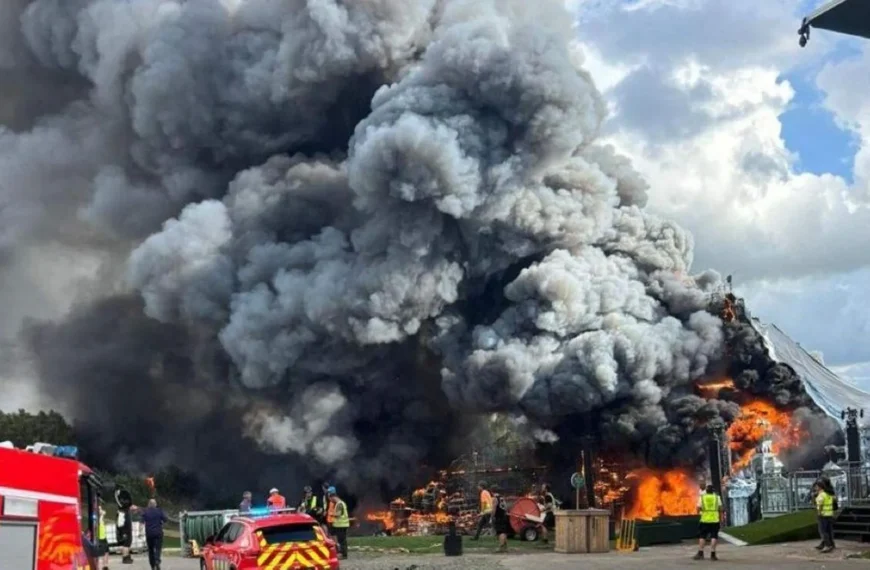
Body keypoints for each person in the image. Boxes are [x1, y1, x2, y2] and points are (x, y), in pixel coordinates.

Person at [694, 484, 724, 561]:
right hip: (715, 520)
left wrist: (702, 512)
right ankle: (713, 554)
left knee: (702, 536)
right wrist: (721, 519)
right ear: (713, 491)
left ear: (706, 491)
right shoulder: (717, 497)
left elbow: (698, 509)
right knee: (714, 536)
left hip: (704, 520)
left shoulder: (702, 498)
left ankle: (700, 553)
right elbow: (721, 509)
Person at [138, 499, 168, 570]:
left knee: (150, 550)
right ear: (155, 504)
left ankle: (152, 565)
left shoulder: (145, 511)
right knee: (158, 548)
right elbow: (165, 519)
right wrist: (161, 522)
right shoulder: (159, 511)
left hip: (149, 534)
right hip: (158, 533)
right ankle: (157, 560)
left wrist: (140, 532)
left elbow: (141, 523)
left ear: (148, 504)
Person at [328, 487, 350, 559]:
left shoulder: (339, 504)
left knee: (342, 540)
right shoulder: (340, 503)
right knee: (342, 540)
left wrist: (331, 514)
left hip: (341, 525)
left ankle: (344, 555)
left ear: (333, 497)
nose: (331, 501)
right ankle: (343, 553)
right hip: (341, 525)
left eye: (331, 499)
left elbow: (338, 514)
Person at [815, 478, 836, 552]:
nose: (815, 488)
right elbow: (833, 500)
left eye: (816, 486)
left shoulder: (821, 495)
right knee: (828, 530)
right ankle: (830, 544)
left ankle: (827, 545)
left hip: (823, 515)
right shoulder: (828, 494)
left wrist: (819, 513)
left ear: (820, 487)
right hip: (829, 514)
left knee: (823, 531)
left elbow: (820, 505)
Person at [490, 485, 510, 553]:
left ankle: (501, 548)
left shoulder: (495, 498)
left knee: (500, 532)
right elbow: (506, 507)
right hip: (504, 516)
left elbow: (494, 509)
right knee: (504, 532)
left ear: (492, 491)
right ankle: (505, 547)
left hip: (499, 517)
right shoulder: (502, 497)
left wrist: (492, 517)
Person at [97, 503, 110, 570]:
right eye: (99, 509)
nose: (101, 510)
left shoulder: (99, 518)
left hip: (104, 538)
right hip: (101, 539)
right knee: (103, 553)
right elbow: (104, 512)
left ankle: (105, 566)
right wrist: (101, 513)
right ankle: (103, 566)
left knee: (106, 552)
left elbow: (104, 512)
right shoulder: (99, 518)